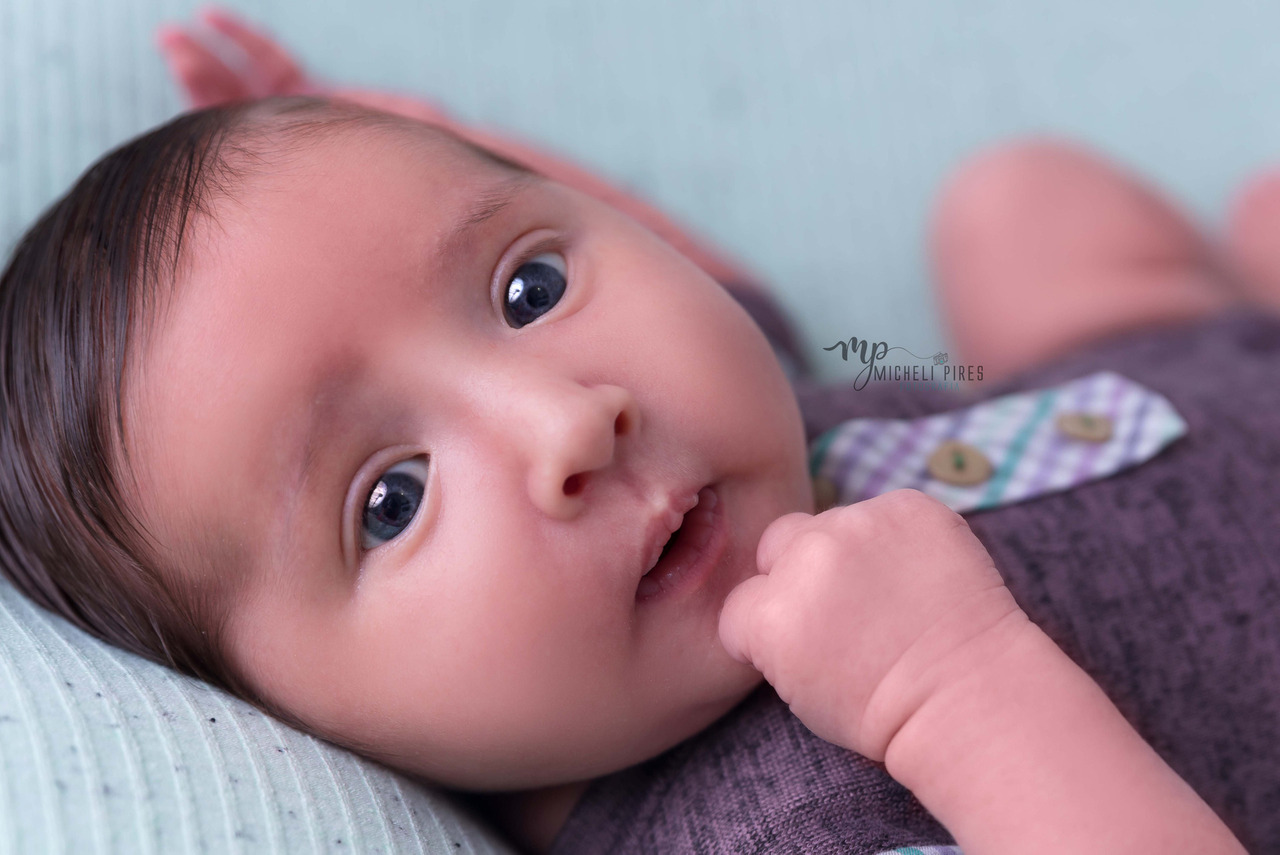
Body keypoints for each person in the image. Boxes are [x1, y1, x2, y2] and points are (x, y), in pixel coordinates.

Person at [1, 7, 1272, 853]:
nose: (570, 422)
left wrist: (388, 132)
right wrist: (949, 691)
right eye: (391, 498)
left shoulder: (735, 457)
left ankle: (1181, 312)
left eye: (527, 293)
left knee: (1012, 204)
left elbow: (681, 278)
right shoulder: (775, 829)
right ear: (277, 716)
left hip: (1126, 380)